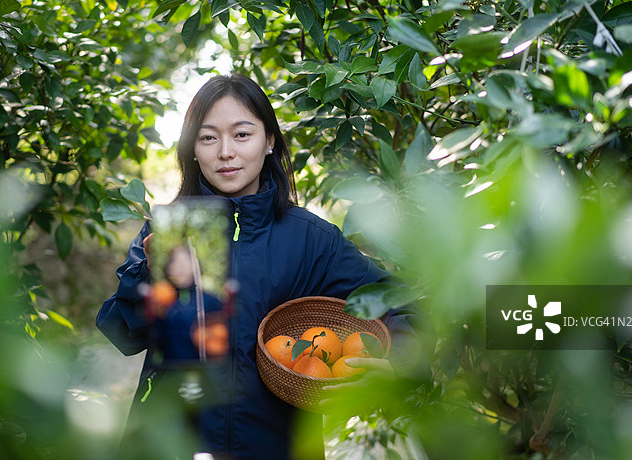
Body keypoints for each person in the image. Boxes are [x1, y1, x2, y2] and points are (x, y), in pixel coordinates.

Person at [96, 74, 419, 460]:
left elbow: (397, 302)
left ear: (269, 141)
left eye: (242, 135)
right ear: (193, 150)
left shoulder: (310, 239)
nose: (225, 152)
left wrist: (397, 361)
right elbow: (123, 333)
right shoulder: (170, 229)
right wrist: (149, 277)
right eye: (208, 137)